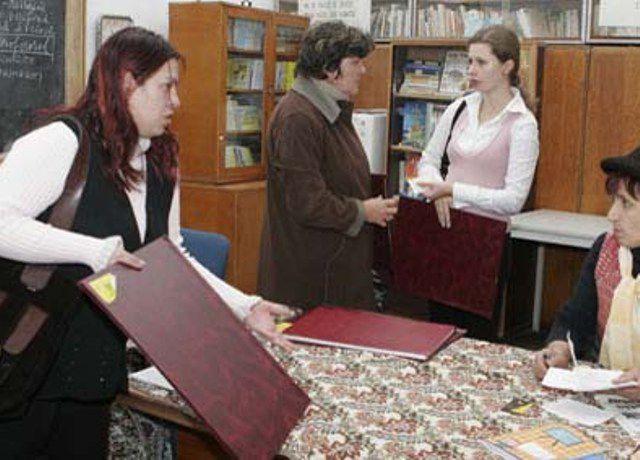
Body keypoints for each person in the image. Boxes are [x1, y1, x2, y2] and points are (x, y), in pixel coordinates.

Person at [0, 27, 293, 458]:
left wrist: (245, 307)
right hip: (26, 361)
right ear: (126, 84)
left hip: (93, 366)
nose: (177, 101)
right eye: (166, 86)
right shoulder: (62, 141)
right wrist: (92, 251)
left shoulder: (159, 161)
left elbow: (170, 257)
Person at [258, 21, 399, 311]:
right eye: (355, 62)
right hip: (311, 281)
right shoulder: (298, 119)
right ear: (329, 69)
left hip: (334, 270)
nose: (363, 70)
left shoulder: (329, 110)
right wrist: (363, 211)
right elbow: (307, 202)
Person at [533, 146, 640, 401]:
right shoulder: (606, 250)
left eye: (626, 203)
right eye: (614, 201)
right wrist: (559, 347)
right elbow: (575, 318)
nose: (612, 215)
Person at [416, 25, 539, 228]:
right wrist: (438, 192)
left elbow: (513, 200)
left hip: (486, 236)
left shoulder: (522, 124)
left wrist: (452, 190)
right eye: (470, 61)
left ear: (507, 67)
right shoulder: (460, 107)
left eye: (481, 62)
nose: (472, 70)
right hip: (443, 227)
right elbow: (428, 159)